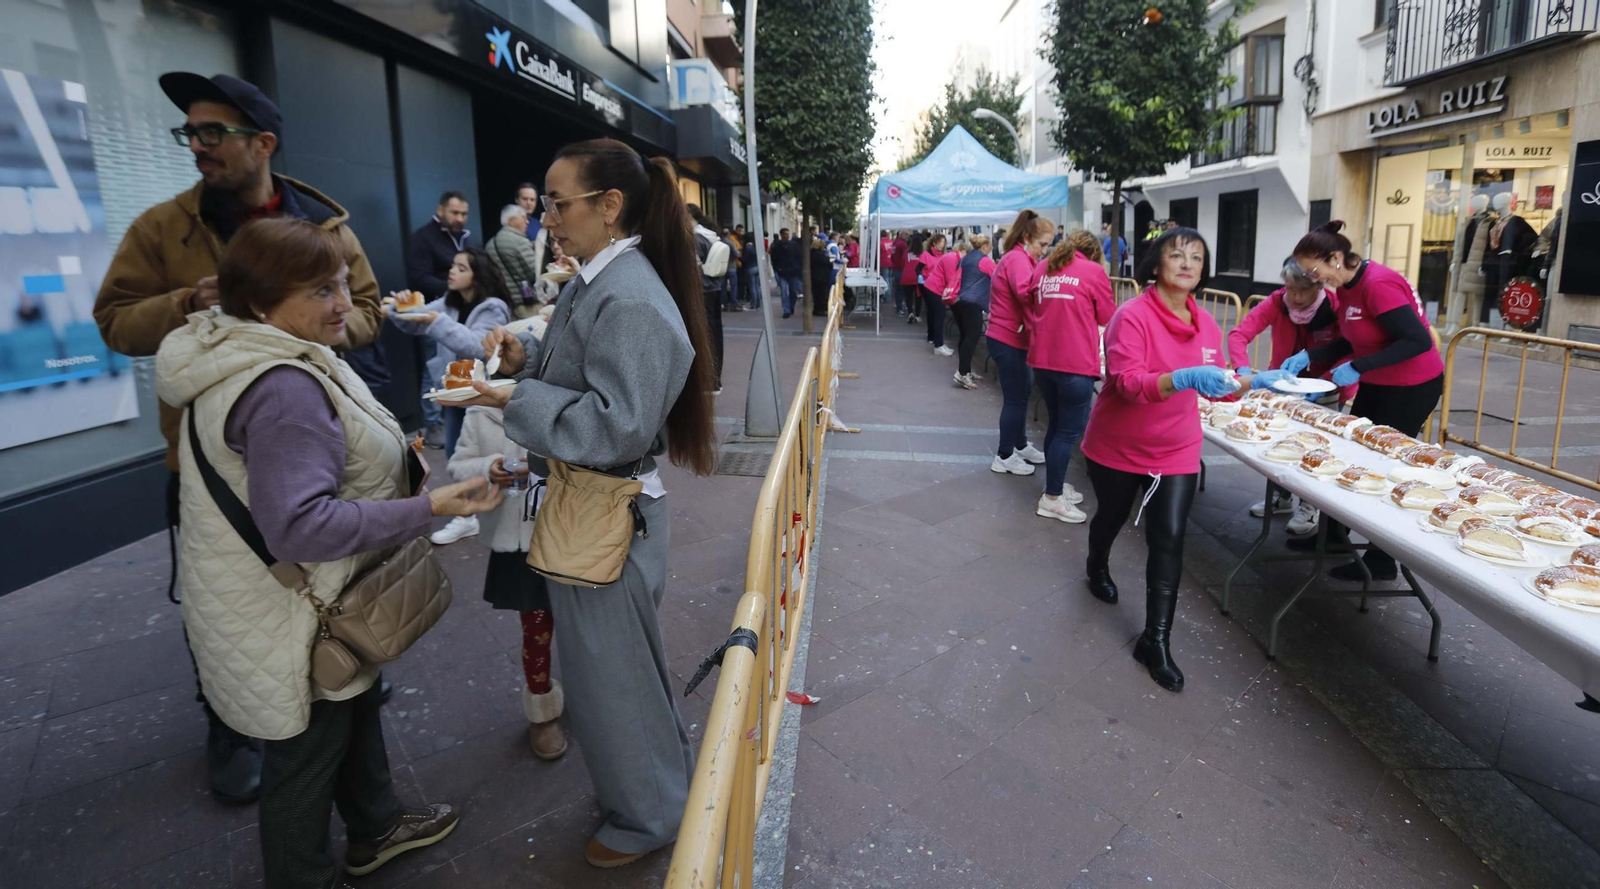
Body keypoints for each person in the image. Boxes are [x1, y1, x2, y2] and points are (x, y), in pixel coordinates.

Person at [155, 217, 501, 887]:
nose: (342, 303)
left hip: (271, 598)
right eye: (319, 290)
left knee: (350, 706)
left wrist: (393, 461)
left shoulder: (249, 349)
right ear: (259, 302)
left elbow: (317, 458)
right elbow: (301, 526)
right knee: (304, 758)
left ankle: (375, 827)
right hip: (288, 609)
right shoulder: (281, 385)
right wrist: (428, 506)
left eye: (341, 282)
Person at [93, 70, 384, 808]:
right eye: (189, 132)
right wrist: (182, 303)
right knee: (219, 595)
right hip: (211, 464)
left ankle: (345, 662)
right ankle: (230, 724)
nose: (198, 146)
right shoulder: (163, 228)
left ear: (263, 143)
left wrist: (307, 324)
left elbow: (371, 310)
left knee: (329, 573)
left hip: (314, 442)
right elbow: (114, 320)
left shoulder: (326, 226)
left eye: (212, 132)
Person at [469, 138, 716, 869]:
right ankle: (655, 790)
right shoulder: (600, 279)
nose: (546, 216)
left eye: (558, 202)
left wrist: (519, 393)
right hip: (598, 507)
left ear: (610, 207)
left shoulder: (627, 290)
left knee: (613, 677)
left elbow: (614, 422)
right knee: (618, 672)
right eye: (545, 201)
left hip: (608, 511)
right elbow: (583, 379)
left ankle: (649, 814)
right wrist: (528, 364)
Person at [1079, 227, 1265, 693]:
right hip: (1119, 445)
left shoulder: (1206, 323)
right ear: (1156, 265)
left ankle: (1155, 640)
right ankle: (1096, 562)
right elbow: (1125, 383)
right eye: (1176, 255)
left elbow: (1212, 385)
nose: (1187, 263)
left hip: (1177, 448)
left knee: (1169, 539)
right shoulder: (1132, 315)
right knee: (1113, 517)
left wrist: (1252, 383)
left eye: (1196, 258)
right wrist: (1181, 377)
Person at [1282, 220, 1444, 581]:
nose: (1313, 280)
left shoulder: (1378, 285)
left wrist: (1359, 366)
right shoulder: (1347, 289)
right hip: (1379, 380)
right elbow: (1353, 337)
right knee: (1348, 452)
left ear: (1336, 258)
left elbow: (1418, 340)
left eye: (1315, 270)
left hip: (1412, 385)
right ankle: (1334, 536)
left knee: (1385, 466)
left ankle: (1382, 559)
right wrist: (1311, 355)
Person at [447, 404, 567, 759]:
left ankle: (594, 693)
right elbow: (457, 464)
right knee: (537, 628)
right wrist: (488, 468)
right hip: (517, 546)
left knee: (583, 627)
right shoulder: (479, 415)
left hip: (566, 533)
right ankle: (542, 711)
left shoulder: (560, 401)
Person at [1226, 258, 1348, 536]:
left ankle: (1310, 506)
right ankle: (1282, 497)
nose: (1293, 296)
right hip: (1281, 386)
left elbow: (1351, 347)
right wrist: (1243, 370)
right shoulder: (1276, 302)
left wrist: (1332, 380)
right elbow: (1239, 335)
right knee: (1279, 441)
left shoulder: (1334, 305)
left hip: (1327, 389)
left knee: (1316, 447)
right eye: (1289, 288)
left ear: (1318, 285)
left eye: (1300, 290)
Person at [1027, 229, 1116, 523]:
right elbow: (1107, 316)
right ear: (1092, 252)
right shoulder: (1092, 271)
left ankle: (1056, 482)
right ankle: (1052, 498)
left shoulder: (1043, 267)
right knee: (1067, 432)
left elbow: (1031, 301)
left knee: (1056, 425)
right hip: (1074, 362)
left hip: (1042, 360)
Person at [988, 210, 1055, 476]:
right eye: (1043, 244)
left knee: (1022, 394)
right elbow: (1028, 293)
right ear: (1028, 238)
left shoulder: (1019, 257)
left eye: (1048, 245)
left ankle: (1019, 444)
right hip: (1008, 338)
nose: (1045, 251)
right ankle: (1005, 455)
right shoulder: (1017, 259)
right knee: (1016, 399)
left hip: (1012, 337)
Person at [407, 191, 473, 448]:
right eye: (455, 213)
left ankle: (453, 421)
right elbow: (419, 277)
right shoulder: (423, 239)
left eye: (464, 214)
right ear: (441, 210)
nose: (460, 218)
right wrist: (456, 287)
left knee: (459, 365)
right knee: (434, 367)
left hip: (462, 312)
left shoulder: (464, 239)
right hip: (435, 313)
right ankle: (433, 423)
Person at [689, 205, 727, 393]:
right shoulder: (711, 234)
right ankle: (715, 379)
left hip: (702, 290)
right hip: (715, 287)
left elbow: (693, 267)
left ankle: (710, 380)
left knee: (705, 335)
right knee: (715, 334)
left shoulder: (695, 238)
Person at [950, 234, 995, 388]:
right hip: (973, 302)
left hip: (958, 301)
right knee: (972, 337)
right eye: (990, 246)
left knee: (965, 337)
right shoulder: (985, 261)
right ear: (985, 247)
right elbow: (998, 277)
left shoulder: (966, 258)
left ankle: (966, 369)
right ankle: (962, 373)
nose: (991, 249)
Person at [487, 204, 542, 314]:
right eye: (523, 218)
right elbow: (535, 272)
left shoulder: (489, 244)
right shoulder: (520, 241)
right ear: (511, 221)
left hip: (505, 304)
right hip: (527, 304)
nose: (527, 222)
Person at [920, 233, 956, 354]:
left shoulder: (945, 256)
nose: (942, 245)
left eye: (943, 242)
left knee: (935, 313)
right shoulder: (926, 254)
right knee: (936, 313)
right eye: (940, 242)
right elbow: (918, 269)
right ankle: (936, 342)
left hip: (935, 286)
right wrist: (921, 280)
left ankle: (934, 338)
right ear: (934, 243)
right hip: (930, 286)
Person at [770, 227, 804, 318]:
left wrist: (798, 268)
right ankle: (786, 310)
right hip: (782, 273)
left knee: (793, 292)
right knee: (784, 291)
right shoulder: (777, 246)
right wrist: (777, 269)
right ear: (781, 235)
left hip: (793, 272)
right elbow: (774, 258)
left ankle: (791, 306)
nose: (787, 236)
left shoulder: (794, 245)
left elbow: (799, 257)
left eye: (788, 234)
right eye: (785, 234)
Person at [809, 233, 833, 317]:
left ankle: (816, 309)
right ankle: (821, 309)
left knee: (816, 294)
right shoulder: (822, 255)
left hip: (813, 276)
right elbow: (828, 264)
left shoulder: (810, 254)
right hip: (822, 276)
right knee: (822, 294)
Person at [741, 234, 760, 308]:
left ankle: (753, 304)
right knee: (757, 286)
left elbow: (744, 259)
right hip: (756, 267)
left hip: (750, 268)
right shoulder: (754, 247)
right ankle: (758, 303)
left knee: (752, 287)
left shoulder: (747, 247)